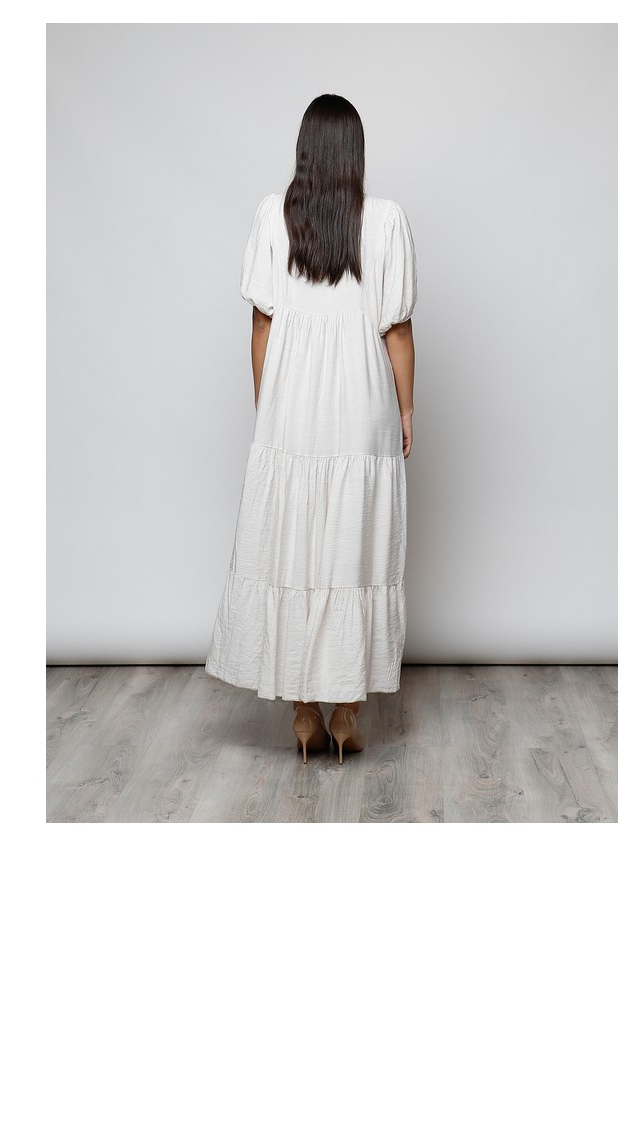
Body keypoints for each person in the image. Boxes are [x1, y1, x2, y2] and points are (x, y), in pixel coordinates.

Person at [205, 94, 418, 764]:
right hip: (363, 402)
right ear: (356, 153)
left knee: (292, 547)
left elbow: (261, 322)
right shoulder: (386, 221)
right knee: (354, 549)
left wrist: (268, 402)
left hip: (292, 401)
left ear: (304, 150)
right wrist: (406, 410)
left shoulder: (274, 215)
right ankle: (347, 712)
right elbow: (397, 329)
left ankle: (303, 714)